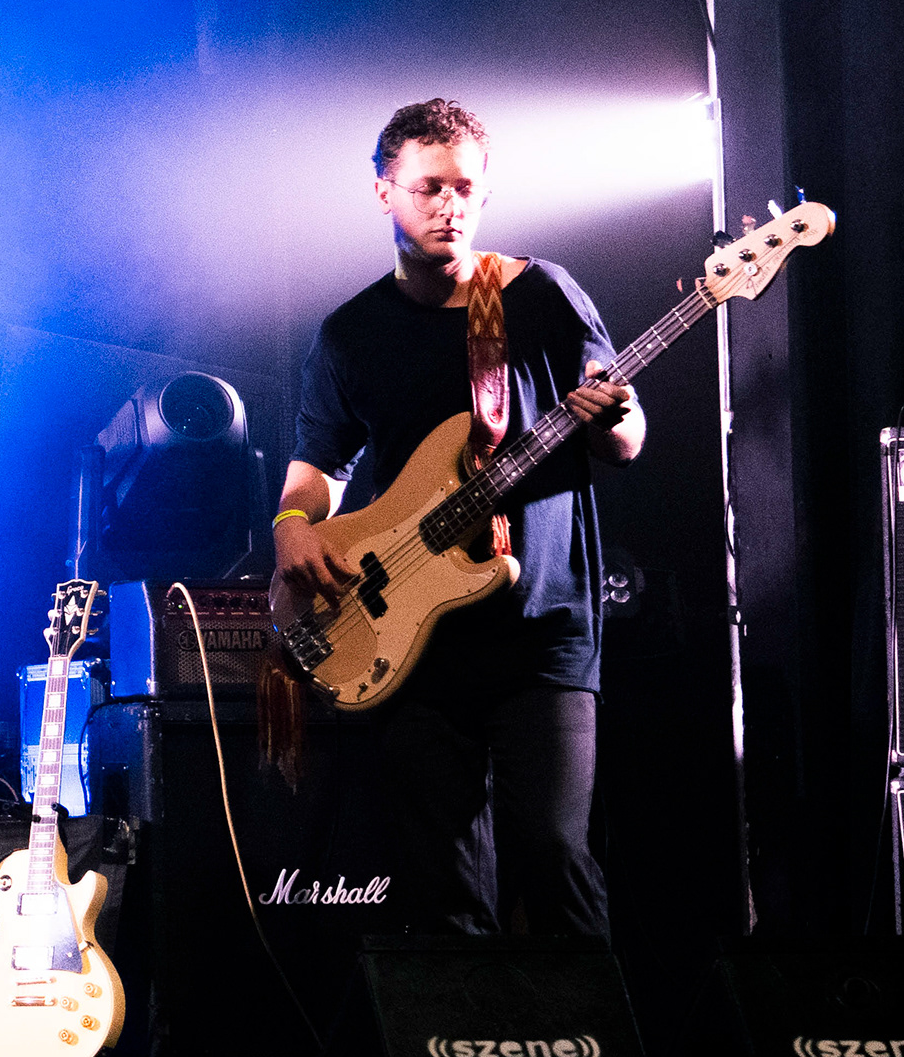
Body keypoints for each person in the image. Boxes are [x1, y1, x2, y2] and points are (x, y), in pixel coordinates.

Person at [271, 96, 640, 938]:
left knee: (554, 855)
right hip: (412, 635)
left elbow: (625, 442)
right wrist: (291, 524)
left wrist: (616, 416)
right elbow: (320, 463)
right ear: (383, 192)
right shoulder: (352, 333)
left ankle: (589, 1025)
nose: (450, 206)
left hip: (543, 627)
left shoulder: (541, 294)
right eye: (430, 187)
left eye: (466, 188)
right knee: (444, 891)